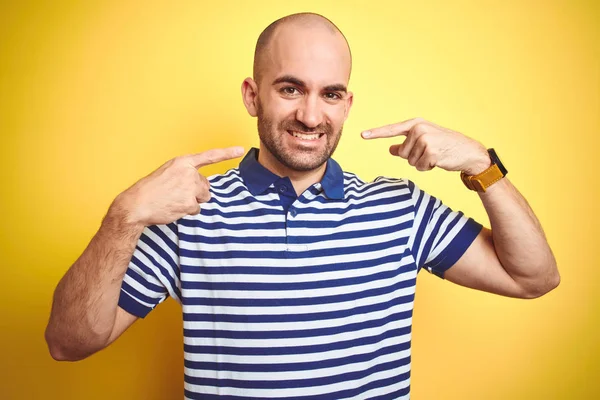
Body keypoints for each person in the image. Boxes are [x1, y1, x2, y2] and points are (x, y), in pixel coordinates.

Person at [45, 12, 559, 399]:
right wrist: (123, 216)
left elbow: (533, 278)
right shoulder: (187, 210)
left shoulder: (400, 209)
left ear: (347, 104)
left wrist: (479, 163)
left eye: (330, 94)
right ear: (252, 96)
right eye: (290, 89)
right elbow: (69, 344)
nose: (311, 116)